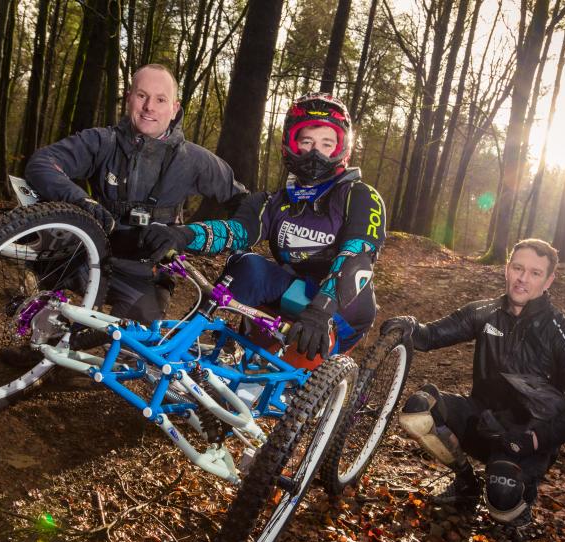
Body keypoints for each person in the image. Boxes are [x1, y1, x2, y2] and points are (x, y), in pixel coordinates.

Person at [380, 239, 565, 539]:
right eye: (518, 268)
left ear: (549, 280)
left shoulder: (563, 334)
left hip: (526, 439)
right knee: (418, 411)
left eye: (535, 273)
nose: (523, 278)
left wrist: (537, 439)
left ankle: (518, 497)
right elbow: (430, 335)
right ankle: (466, 482)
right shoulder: (484, 312)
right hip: (482, 421)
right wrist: (410, 327)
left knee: (502, 498)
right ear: (507, 269)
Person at [135, 91, 386, 361]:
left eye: (327, 144)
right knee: (246, 264)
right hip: (293, 293)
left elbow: (358, 257)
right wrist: (181, 235)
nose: (315, 153)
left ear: (342, 148)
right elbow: (235, 232)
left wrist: (321, 309)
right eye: (307, 141)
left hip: (343, 309)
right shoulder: (273, 202)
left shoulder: (361, 196)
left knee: (291, 377)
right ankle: (184, 343)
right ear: (291, 144)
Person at [23, 63, 247, 324]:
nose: (149, 107)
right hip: (87, 251)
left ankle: (87, 336)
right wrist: (81, 201)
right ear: (129, 98)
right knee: (46, 308)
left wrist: (200, 239)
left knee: (136, 340)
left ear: (174, 108)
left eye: (161, 99)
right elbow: (42, 163)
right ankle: (42, 322)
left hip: (146, 268)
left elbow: (244, 203)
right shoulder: (102, 142)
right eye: (142, 95)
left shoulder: (194, 160)